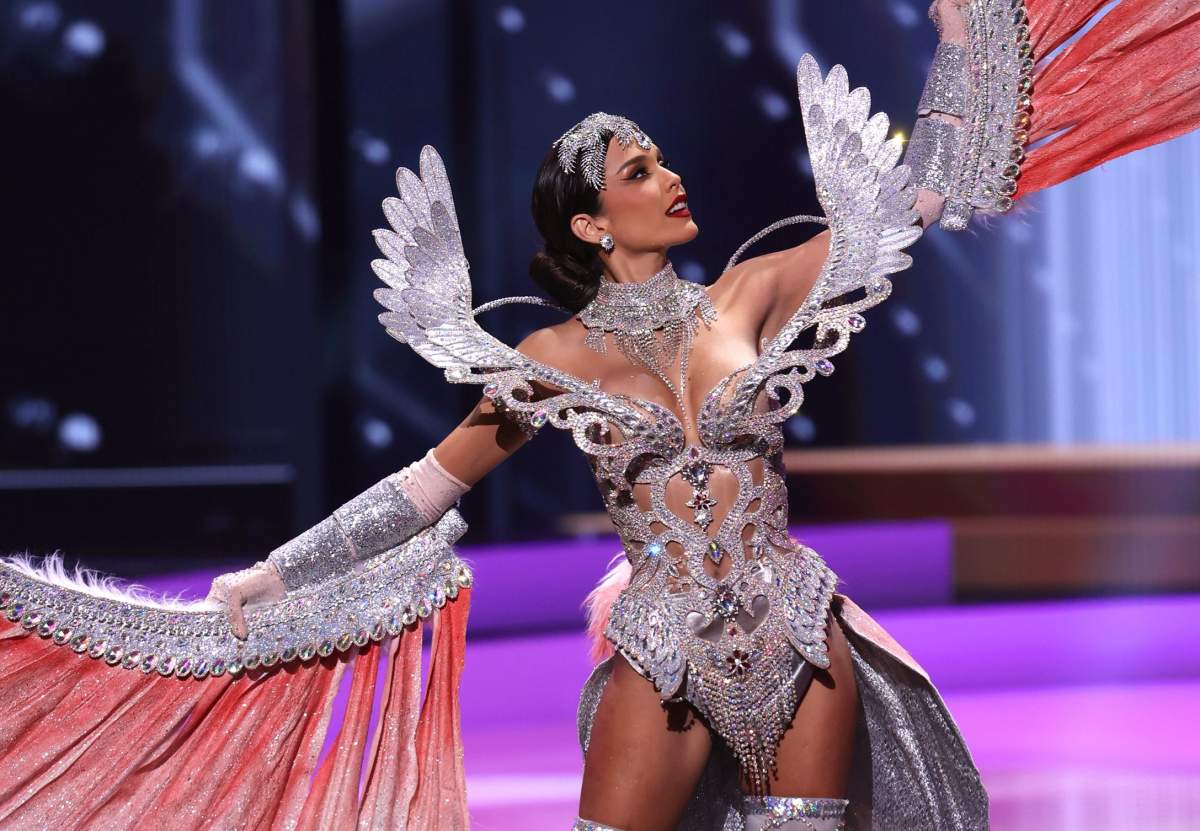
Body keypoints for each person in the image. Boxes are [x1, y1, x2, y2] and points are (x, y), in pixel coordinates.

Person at [2, 1, 1197, 829]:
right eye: (639, 174)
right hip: (662, 649)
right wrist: (275, 576)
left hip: (798, 630)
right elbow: (429, 483)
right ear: (590, 223)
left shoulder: (753, 290)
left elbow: (918, 201)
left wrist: (962, 42)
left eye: (665, 163)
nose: (671, 179)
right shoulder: (549, 357)